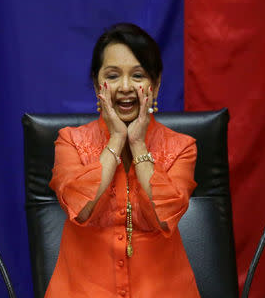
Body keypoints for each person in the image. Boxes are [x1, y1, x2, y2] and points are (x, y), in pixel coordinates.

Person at [45, 23, 201, 298]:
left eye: (138, 75)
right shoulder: (69, 141)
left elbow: (163, 218)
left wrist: (138, 143)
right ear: (97, 84)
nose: (126, 87)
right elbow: (82, 209)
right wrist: (116, 139)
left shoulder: (182, 147)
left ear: (156, 84)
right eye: (113, 76)